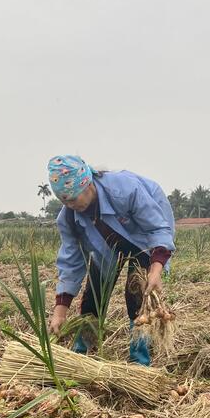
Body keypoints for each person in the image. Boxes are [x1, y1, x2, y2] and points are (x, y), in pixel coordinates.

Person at [46, 155, 175, 366]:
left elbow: (156, 228)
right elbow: (71, 263)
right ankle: (80, 356)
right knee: (94, 294)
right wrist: (60, 311)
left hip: (143, 238)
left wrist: (156, 268)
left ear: (87, 183)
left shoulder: (124, 190)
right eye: (63, 201)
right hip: (106, 246)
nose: (69, 205)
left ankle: (139, 362)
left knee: (137, 293)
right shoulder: (68, 218)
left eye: (72, 198)